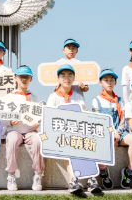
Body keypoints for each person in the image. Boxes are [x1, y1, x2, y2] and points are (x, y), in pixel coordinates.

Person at [46, 64, 93, 194]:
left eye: (70, 75)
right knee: (69, 147)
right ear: (58, 79)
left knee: (90, 142)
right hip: (60, 134)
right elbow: (49, 119)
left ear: (74, 78)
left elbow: (84, 115)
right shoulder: (53, 97)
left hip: (78, 131)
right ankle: (74, 180)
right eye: (63, 76)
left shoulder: (78, 95)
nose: (66, 78)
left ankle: (91, 179)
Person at [91, 69, 132, 190]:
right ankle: (104, 172)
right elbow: (98, 120)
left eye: (112, 80)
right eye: (106, 80)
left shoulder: (120, 100)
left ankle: (129, 172)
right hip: (104, 133)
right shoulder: (96, 100)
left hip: (119, 133)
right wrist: (111, 133)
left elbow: (123, 119)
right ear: (100, 82)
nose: (109, 82)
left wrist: (118, 132)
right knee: (101, 143)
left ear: (116, 82)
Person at [4, 66, 44, 191]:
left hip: (30, 131)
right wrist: (10, 121)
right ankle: (11, 175)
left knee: (38, 141)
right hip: (14, 130)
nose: (24, 79)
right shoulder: (9, 97)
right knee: (12, 141)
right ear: (15, 78)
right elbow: (2, 116)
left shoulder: (34, 97)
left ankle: (38, 175)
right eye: (21, 77)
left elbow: (40, 115)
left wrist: (37, 123)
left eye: (27, 77)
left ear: (31, 79)